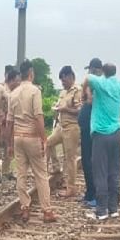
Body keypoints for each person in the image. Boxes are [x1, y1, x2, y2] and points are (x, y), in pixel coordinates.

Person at [82, 62, 120, 220]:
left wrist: (85, 94)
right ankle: (113, 208)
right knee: (114, 172)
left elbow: (87, 78)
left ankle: (101, 210)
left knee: (100, 172)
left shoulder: (100, 83)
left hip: (100, 134)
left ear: (103, 72)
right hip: (115, 134)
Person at [8, 59, 58, 223]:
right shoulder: (35, 91)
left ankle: (25, 208)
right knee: (41, 175)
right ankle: (47, 211)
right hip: (32, 137)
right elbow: (38, 117)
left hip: (17, 138)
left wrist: (9, 143)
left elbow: (9, 121)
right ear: (31, 73)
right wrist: (44, 139)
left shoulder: (13, 93)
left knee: (21, 175)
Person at [46, 65, 83, 197]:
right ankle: (56, 168)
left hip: (72, 127)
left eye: (64, 80)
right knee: (47, 143)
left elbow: (80, 111)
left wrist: (65, 110)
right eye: (61, 81)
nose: (63, 83)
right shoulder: (63, 92)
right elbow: (59, 106)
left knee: (70, 158)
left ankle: (71, 187)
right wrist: (56, 109)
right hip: (60, 127)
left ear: (71, 77)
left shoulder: (77, 91)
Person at [78, 58, 104, 208]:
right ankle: (89, 193)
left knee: (92, 162)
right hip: (86, 126)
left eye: (91, 70)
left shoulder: (99, 85)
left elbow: (91, 101)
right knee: (86, 161)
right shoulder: (91, 84)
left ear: (96, 70)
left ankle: (95, 195)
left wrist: (87, 91)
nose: (89, 73)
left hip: (93, 126)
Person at [0, 65, 20, 182]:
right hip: (3, 121)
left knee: (10, 146)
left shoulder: (14, 89)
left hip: (12, 120)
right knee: (1, 146)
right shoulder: (2, 88)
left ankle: (6, 171)